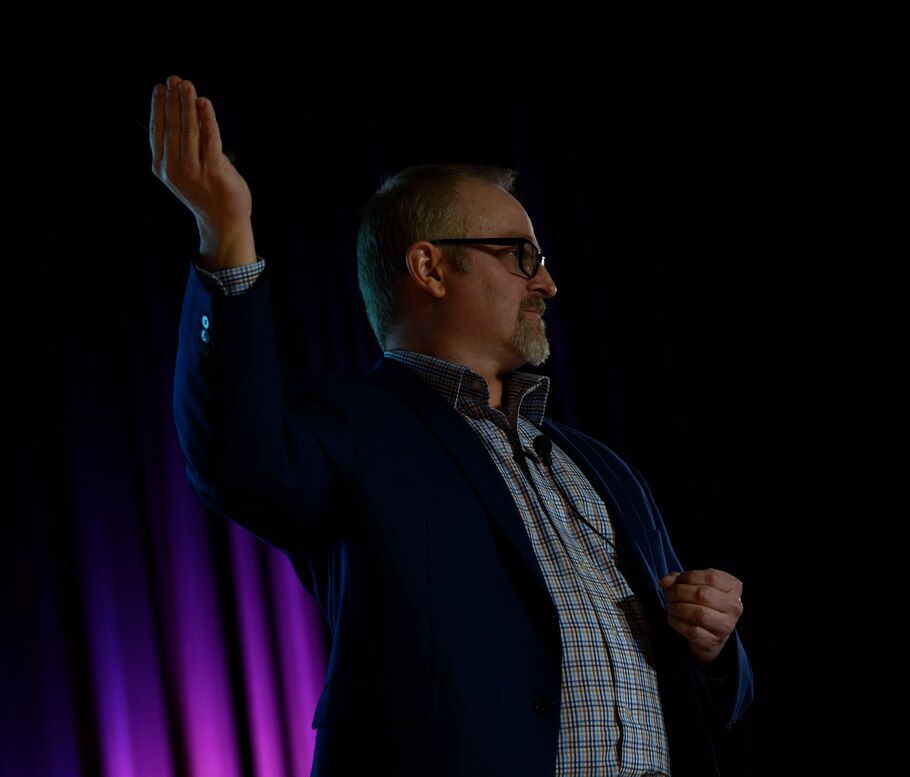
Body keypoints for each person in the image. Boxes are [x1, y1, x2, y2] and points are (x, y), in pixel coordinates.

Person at [150, 74, 754, 777]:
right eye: (521, 256)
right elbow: (234, 455)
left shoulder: (607, 470)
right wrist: (226, 234)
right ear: (430, 267)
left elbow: (707, 704)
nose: (547, 284)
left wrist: (713, 646)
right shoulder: (352, 427)